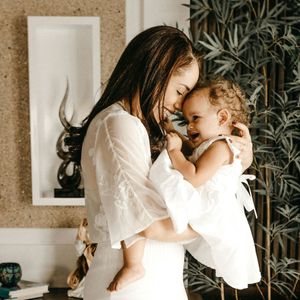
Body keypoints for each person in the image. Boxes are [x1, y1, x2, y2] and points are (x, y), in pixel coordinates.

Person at [78, 25, 253, 300]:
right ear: (158, 69)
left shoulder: (137, 124)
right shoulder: (119, 124)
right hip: (134, 287)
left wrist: (235, 162)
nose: (179, 105)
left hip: (157, 279)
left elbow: (192, 176)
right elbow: (149, 225)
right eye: (180, 90)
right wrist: (216, 221)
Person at [150, 78, 261, 289]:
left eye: (195, 118)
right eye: (186, 120)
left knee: (155, 227)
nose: (190, 126)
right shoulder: (212, 143)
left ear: (222, 118)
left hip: (213, 208)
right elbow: (193, 153)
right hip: (207, 201)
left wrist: (173, 151)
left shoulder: (221, 147)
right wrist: (172, 130)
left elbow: (194, 176)